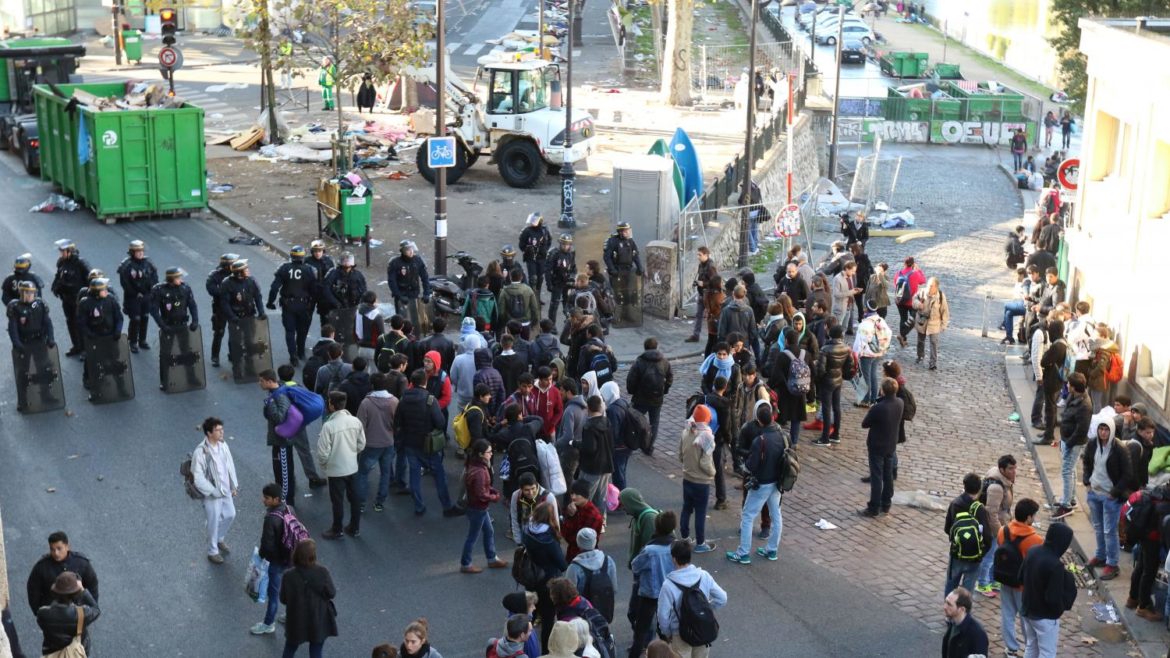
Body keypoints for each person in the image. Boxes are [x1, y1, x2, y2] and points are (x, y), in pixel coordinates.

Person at [394, 369, 461, 517]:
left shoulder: (403, 399)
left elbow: (397, 421)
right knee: (439, 475)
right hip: (427, 444)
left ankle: (419, 506)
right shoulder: (430, 400)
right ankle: (447, 506)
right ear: (425, 382)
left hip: (409, 442)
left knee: (414, 475)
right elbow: (440, 422)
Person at [658, 539, 728, 658]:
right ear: (689, 557)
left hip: (679, 633)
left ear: (674, 559)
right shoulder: (703, 575)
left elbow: (662, 616)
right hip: (702, 629)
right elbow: (722, 598)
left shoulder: (668, 585)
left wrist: (668, 633)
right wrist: (706, 609)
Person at [1082, 415, 1131, 581]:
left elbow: (1127, 474)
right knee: (1098, 526)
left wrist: (1114, 493)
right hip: (1094, 492)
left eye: (1106, 430)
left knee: (1110, 530)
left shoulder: (1119, 449)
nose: (1103, 433)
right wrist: (1087, 482)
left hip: (1110, 496)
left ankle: (1112, 563)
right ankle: (1101, 555)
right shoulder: (1093, 443)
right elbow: (1087, 463)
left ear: (1111, 431)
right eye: (1101, 429)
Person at [1019, 524, 1077, 657]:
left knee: (1031, 647)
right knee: (1047, 653)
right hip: (1045, 616)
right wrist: (1058, 612)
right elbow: (1053, 598)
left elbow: (1020, 577)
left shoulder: (1033, 550)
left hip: (1027, 609)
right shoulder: (1055, 565)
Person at [997, 498, 1044, 657]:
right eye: (1034, 516)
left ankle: (1011, 648)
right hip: (1023, 586)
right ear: (1029, 517)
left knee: (1007, 614)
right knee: (1026, 619)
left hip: (1005, 579)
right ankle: (1029, 647)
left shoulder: (1003, 531)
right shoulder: (1036, 540)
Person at [317, 391, 366, 539]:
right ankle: (354, 527)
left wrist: (325, 466)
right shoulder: (355, 421)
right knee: (355, 498)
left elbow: (322, 453)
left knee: (337, 501)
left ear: (331, 405)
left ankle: (337, 529)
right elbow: (361, 444)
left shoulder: (329, 426)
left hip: (336, 470)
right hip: (352, 467)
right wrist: (352, 453)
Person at [191, 416, 239, 564]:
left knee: (230, 514)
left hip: (225, 490)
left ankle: (219, 538)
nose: (221, 432)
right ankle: (212, 551)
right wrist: (212, 491)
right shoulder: (201, 452)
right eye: (218, 430)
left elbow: (229, 465)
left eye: (222, 429)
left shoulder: (223, 445)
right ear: (209, 433)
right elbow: (197, 478)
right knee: (213, 521)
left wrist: (233, 485)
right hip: (212, 495)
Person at [251, 483, 297, 635]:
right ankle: (291, 615)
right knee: (289, 588)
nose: (263, 500)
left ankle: (268, 623)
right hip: (289, 558)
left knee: (273, 594)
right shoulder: (289, 509)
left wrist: (262, 559)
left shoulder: (271, 519)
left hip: (276, 562)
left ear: (276, 499)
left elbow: (267, 545)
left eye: (267, 498)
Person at [523, 502, 568, 653]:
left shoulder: (527, 530)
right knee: (548, 618)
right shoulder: (548, 539)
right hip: (548, 581)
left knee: (529, 612)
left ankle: (523, 645)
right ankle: (544, 652)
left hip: (531, 577)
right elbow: (562, 564)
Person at [630, 511, 677, 658]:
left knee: (641, 630)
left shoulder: (650, 550)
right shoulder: (675, 546)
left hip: (650, 593)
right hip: (669, 594)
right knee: (665, 629)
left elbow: (635, 566)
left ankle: (637, 653)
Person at [281, 539, 337, 657]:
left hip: (296, 619)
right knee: (316, 650)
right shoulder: (322, 572)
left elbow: (283, 599)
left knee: (290, 648)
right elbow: (331, 593)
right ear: (313, 555)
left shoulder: (288, 575)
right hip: (318, 617)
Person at [7, 281, 59, 408]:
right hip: (23, 344)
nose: (29, 295)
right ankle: (22, 400)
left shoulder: (40, 304)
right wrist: (18, 344)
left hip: (39, 342)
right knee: (23, 372)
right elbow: (13, 329)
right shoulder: (15, 307)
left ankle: (45, 395)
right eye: (26, 293)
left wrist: (50, 338)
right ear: (21, 293)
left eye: (31, 293)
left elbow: (48, 323)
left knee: (44, 369)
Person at [460, 439, 509, 573]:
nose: (492, 454)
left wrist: (491, 490)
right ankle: (466, 563)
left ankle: (492, 558)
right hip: (478, 508)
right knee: (473, 536)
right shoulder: (481, 471)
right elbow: (481, 494)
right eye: (489, 452)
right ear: (481, 454)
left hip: (476, 507)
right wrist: (494, 496)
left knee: (489, 531)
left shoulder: (475, 465)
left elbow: (482, 487)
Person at [26, 532, 99, 616]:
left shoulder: (81, 563)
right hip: (53, 614)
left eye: (59, 548)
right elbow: (33, 591)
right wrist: (40, 613)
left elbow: (92, 585)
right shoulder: (41, 567)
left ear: (67, 547)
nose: (56, 553)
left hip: (78, 613)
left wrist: (90, 607)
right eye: (52, 549)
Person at [267, 246, 318, 366]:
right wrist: (312, 303)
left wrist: (270, 302)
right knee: (302, 330)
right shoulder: (309, 270)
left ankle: (292, 355)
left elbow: (274, 288)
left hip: (288, 304)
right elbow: (314, 289)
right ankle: (301, 352)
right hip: (304, 305)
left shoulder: (284, 268)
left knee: (290, 331)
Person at [975, 455, 1017, 598]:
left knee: (996, 556)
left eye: (1014, 468)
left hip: (1002, 523)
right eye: (1010, 469)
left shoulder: (1004, 480)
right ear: (1001, 469)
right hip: (995, 526)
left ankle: (993, 580)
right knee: (989, 556)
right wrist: (999, 532)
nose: (1014, 471)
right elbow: (991, 513)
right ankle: (982, 583)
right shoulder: (996, 488)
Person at [943, 473, 992, 595]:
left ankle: (950, 609)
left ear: (964, 486)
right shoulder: (979, 509)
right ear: (979, 488)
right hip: (975, 557)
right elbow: (987, 537)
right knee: (967, 591)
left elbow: (947, 528)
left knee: (951, 585)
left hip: (957, 554)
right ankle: (963, 612)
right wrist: (981, 553)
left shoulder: (955, 503)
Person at [1052, 373, 1091, 519]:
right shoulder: (1073, 397)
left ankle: (1066, 505)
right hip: (1067, 438)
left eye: (1069, 384)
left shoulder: (1085, 406)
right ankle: (1071, 498)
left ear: (1074, 387)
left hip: (1073, 442)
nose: (1067, 386)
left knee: (1067, 471)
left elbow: (1082, 429)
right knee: (1071, 469)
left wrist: (1068, 443)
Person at [260, 368, 303, 502]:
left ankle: (286, 503)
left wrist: (270, 403)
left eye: (261, 381)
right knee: (280, 473)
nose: (259, 383)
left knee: (284, 476)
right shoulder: (274, 394)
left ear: (270, 381)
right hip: (277, 441)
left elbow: (279, 417)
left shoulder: (280, 395)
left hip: (283, 443)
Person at [679, 406, 717, 553]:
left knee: (686, 508)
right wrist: (713, 473)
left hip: (687, 477)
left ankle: (685, 537)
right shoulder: (707, 437)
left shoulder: (686, 431)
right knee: (700, 512)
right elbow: (705, 463)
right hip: (701, 482)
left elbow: (680, 455)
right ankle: (700, 543)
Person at [35, 572, 99, 657]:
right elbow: (96, 610)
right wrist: (82, 590)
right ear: (75, 593)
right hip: (75, 653)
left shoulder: (42, 614)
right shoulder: (81, 614)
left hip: (52, 653)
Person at [566, 527, 616, 622]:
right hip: (603, 610)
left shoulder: (574, 567)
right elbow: (614, 588)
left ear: (578, 543)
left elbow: (569, 596)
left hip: (583, 615)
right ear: (595, 541)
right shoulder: (608, 561)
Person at [50, 239, 90, 357]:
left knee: (80, 323)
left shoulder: (80, 263)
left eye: (63, 251)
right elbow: (58, 276)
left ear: (70, 251)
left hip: (78, 300)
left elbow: (90, 278)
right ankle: (76, 346)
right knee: (70, 323)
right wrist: (55, 287)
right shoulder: (61, 263)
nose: (61, 254)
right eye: (60, 251)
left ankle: (85, 349)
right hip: (66, 299)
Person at [117, 239, 158, 353]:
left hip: (147, 296)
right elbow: (125, 283)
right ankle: (133, 342)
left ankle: (142, 340)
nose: (140, 253)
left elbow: (155, 277)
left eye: (142, 251)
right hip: (133, 297)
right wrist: (135, 293)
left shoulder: (148, 263)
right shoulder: (127, 265)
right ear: (132, 252)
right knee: (135, 319)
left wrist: (151, 289)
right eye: (137, 251)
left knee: (145, 317)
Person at [853, 302, 893, 406]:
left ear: (866, 309)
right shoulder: (881, 320)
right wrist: (883, 348)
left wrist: (856, 354)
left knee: (866, 377)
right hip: (878, 353)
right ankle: (874, 399)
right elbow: (889, 333)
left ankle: (865, 400)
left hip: (867, 354)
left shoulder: (865, 324)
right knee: (873, 375)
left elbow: (859, 342)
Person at [602, 222, 643, 323]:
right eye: (626, 231)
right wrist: (612, 270)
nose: (628, 232)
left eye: (628, 230)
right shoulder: (613, 241)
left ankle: (627, 314)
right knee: (617, 294)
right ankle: (616, 316)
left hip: (628, 271)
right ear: (620, 231)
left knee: (627, 294)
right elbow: (607, 257)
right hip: (617, 270)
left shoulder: (630, 241)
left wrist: (639, 267)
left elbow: (635, 255)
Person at [387, 240, 433, 328]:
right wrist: (399, 296)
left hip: (414, 294)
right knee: (401, 321)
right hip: (402, 294)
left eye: (412, 249)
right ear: (403, 251)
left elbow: (425, 277)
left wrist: (426, 293)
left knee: (415, 319)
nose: (411, 251)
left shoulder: (417, 260)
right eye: (408, 250)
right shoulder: (395, 263)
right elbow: (392, 282)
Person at [205, 252, 238, 367]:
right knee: (219, 332)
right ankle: (215, 356)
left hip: (234, 307)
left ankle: (233, 354)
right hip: (220, 308)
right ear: (228, 265)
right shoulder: (215, 275)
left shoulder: (237, 274)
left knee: (234, 332)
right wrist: (226, 293)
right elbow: (211, 289)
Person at [560, 479, 603, 561]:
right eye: (572, 493)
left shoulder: (593, 515)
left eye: (577, 494)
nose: (573, 497)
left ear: (585, 495)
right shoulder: (575, 507)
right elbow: (566, 533)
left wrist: (571, 517)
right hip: (573, 554)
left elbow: (575, 539)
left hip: (585, 557)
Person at [911, 276, 948, 370]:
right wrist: (918, 304)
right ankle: (920, 356)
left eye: (931, 286)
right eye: (928, 285)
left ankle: (933, 363)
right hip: (922, 322)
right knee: (920, 341)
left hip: (934, 323)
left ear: (936, 287)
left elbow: (945, 311)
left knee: (934, 343)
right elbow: (914, 300)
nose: (929, 287)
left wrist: (944, 324)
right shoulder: (922, 292)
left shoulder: (941, 296)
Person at [941, 587, 988, 658]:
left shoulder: (978, 634)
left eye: (949, 604)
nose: (944, 607)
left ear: (962, 609)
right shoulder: (953, 621)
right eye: (945, 602)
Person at [892, 257, 925, 348]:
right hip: (911, 301)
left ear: (904, 263)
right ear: (913, 264)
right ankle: (902, 335)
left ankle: (903, 339)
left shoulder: (899, 273)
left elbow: (895, 284)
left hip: (900, 300)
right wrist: (919, 270)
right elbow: (923, 281)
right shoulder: (915, 274)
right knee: (913, 320)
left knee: (903, 318)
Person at [499, 268, 541, 337]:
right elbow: (534, 308)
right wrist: (534, 322)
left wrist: (505, 322)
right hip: (525, 323)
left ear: (510, 277)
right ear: (521, 277)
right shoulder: (528, 289)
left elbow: (501, 311)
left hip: (510, 323)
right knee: (525, 344)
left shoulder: (504, 291)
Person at [687, 247, 717, 343]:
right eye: (697, 254)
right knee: (698, 315)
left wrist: (703, 284)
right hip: (701, 293)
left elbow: (715, 282)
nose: (698, 257)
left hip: (709, 295)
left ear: (706, 255)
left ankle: (714, 336)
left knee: (712, 316)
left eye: (700, 255)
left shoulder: (711, 267)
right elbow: (700, 276)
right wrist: (697, 283)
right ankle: (696, 335)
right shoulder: (701, 265)